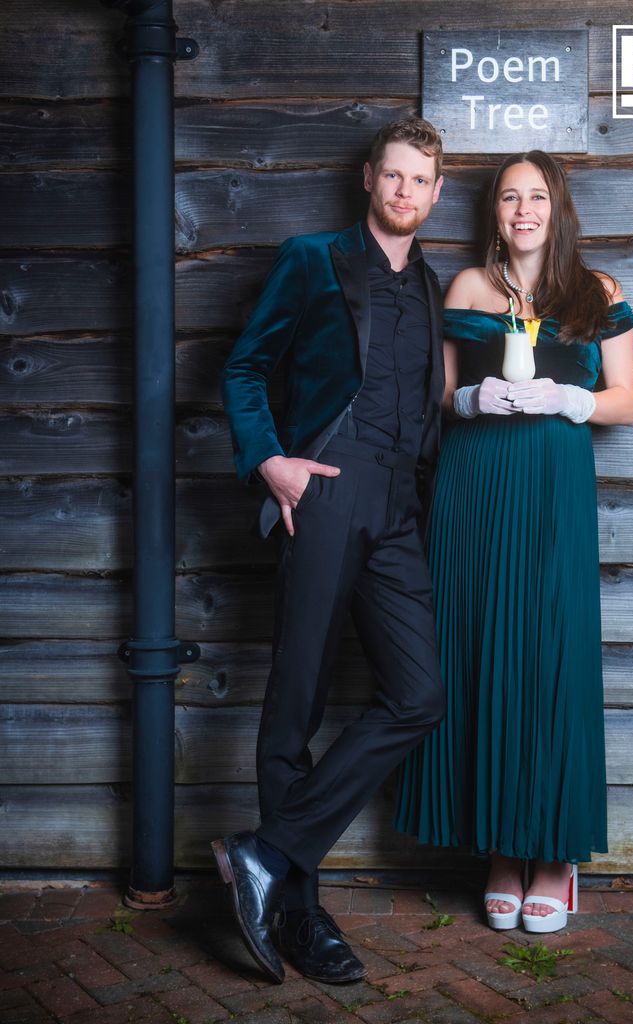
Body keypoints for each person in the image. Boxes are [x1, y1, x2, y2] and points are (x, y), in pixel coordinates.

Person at [213, 117, 447, 983]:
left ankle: (267, 858)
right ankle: (300, 916)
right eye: (393, 176)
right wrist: (269, 462)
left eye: (420, 181)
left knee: (419, 694)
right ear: (367, 179)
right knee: (297, 701)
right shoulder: (313, 258)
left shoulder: (429, 285)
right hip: (323, 487)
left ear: (434, 192)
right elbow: (243, 368)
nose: (404, 193)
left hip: (396, 508)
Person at [395, 150, 633, 934]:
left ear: (556, 207)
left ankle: (557, 855)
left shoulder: (597, 293)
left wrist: (571, 397)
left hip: (551, 484)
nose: (523, 209)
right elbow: (434, 396)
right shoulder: (466, 288)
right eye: (509, 197)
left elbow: (626, 403)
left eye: (536, 196)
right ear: (492, 210)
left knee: (550, 656)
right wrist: (471, 396)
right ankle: (500, 850)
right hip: (474, 485)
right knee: (479, 653)